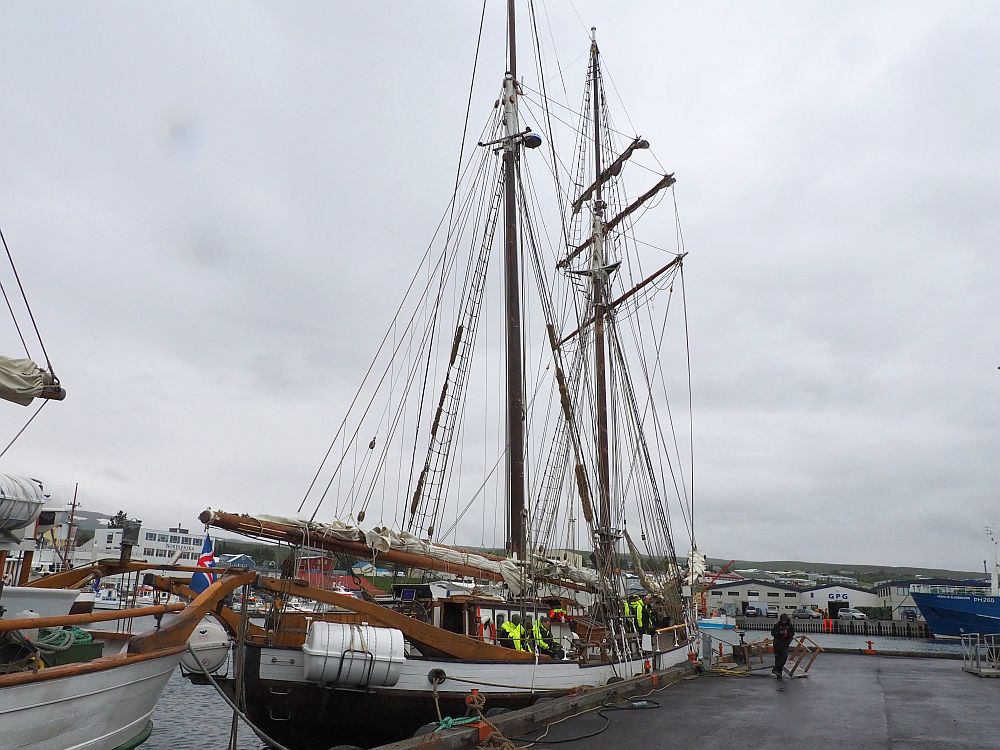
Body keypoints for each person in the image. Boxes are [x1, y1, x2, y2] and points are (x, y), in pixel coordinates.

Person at [771, 613, 795, 679]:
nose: (783, 621)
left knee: (784, 658)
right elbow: (772, 633)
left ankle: (775, 669)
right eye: (782, 620)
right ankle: (779, 674)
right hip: (777, 644)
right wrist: (779, 633)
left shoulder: (789, 626)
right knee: (777, 659)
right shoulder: (777, 625)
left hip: (785, 644)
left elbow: (792, 633)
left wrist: (787, 634)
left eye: (784, 620)